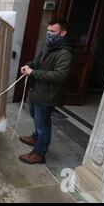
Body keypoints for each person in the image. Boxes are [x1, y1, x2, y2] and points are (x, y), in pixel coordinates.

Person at [19, 20, 73, 165]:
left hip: (47, 95)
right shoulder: (47, 46)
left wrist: (34, 72)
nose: (49, 34)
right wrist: (28, 66)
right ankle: (36, 137)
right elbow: (37, 62)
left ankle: (39, 154)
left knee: (43, 125)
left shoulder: (65, 53)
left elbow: (60, 75)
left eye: (53, 32)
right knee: (34, 116)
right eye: (48, 31)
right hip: (36, 91)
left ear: (63, 33)